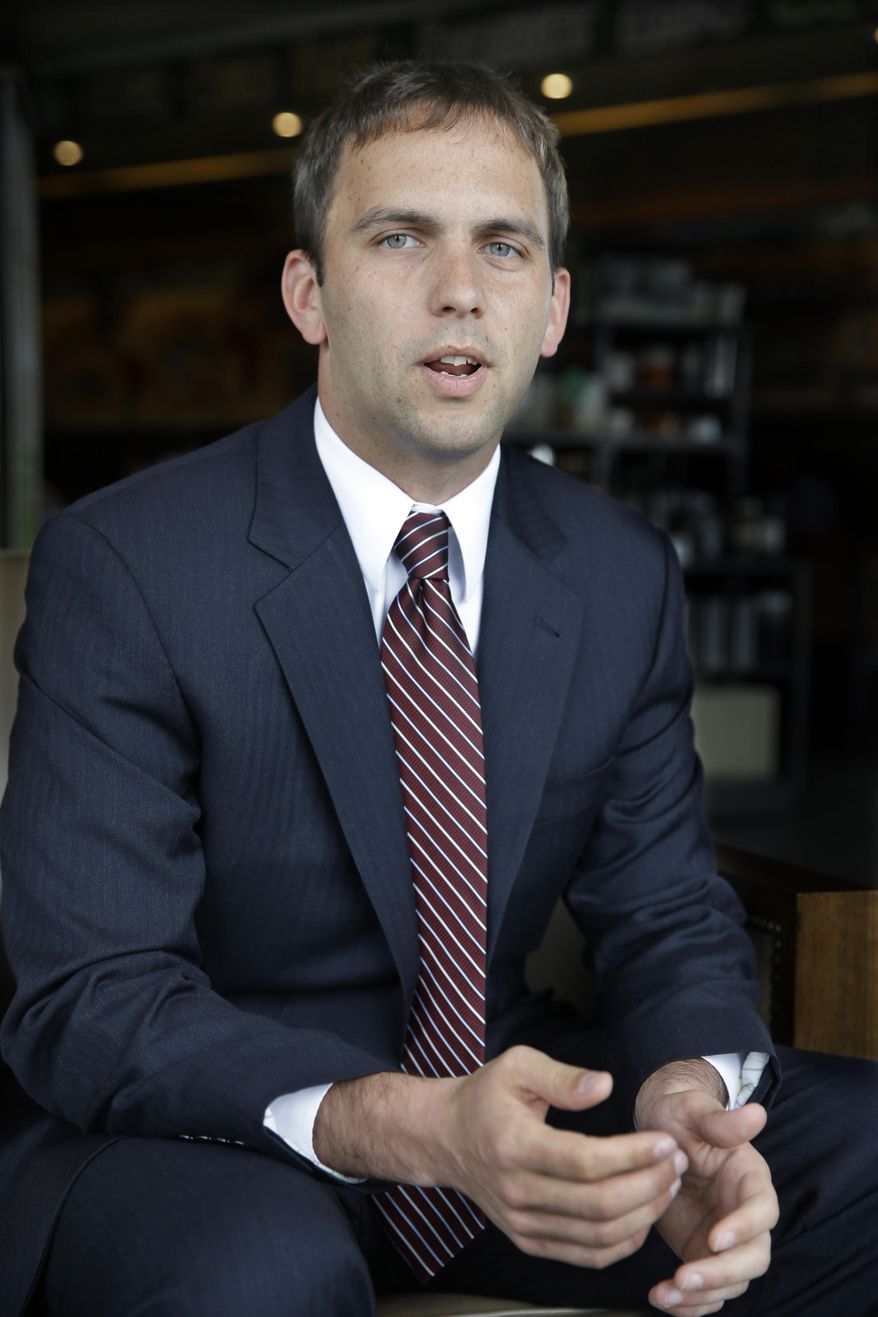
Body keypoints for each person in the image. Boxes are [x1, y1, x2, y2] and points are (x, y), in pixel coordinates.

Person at [0, 60, 875, 1317]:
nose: (459, 292)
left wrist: (691, 1098)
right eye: (400, 237)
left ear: (554, 308)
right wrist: (409, 1125)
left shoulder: (617, 570)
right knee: (259, 1275)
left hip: (511, 1103)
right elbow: (93, 996)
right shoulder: (129, 563)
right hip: (205, 1131)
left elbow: (664, 910)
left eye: (503, 248)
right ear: (308, 291)